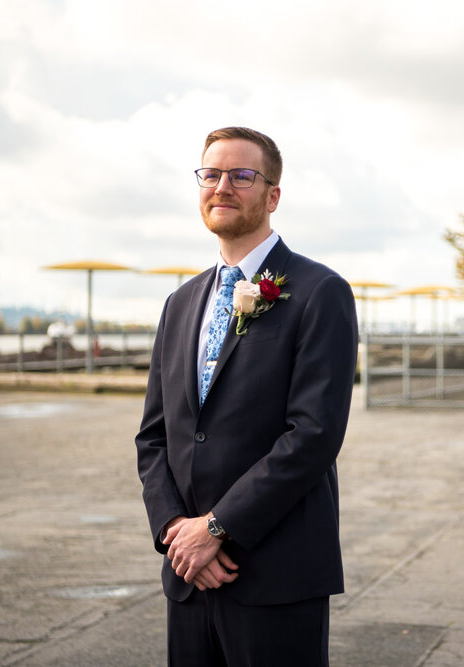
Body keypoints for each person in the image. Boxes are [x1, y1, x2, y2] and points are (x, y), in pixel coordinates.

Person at [135, 126, 358, 665]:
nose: (222, 187)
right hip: (190, 573)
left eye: (241, 175)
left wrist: (218, 528)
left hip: (276, 572)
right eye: (210, 174)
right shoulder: (180, 302)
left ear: (272, 195)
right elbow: (154, 436)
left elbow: (313, 435)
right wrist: (177, 533)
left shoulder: (319, 292)